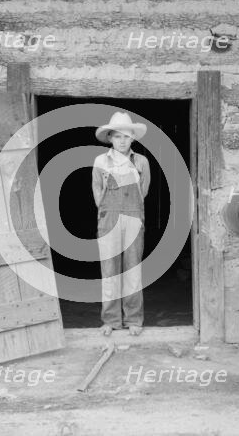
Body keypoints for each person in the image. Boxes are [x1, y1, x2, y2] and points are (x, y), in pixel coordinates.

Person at [92, 112, 150, 336]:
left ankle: (134, 319)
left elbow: (143, 191)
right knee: (109, 272)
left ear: (133, 138)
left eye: (126, 136)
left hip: (133, 218)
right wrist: (108, 212)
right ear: (110, 138)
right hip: (109, 220)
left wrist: (131, 212)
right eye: (117, 136)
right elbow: (97, 189)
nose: (122, 140)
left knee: (133, 271)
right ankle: (111, 320)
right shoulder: (100, 161)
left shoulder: (141, 161)